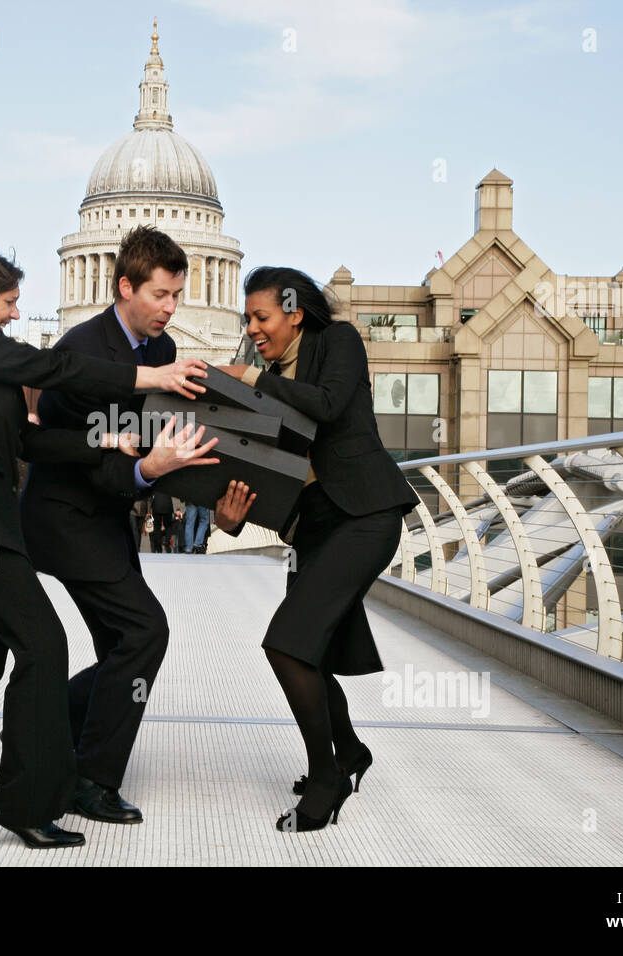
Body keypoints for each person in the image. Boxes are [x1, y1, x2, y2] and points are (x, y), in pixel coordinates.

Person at [0, 242, 211, 850]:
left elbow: (31, 447)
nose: (13, 313)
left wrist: (105, 446)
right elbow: (56, 370)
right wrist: (148, 375)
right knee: (44, 644)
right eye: (8, 302)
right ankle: (26, 804)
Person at [20, 225, 219, 825]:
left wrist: (220, 504)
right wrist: (145, 471)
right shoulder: (80, 348)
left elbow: (158, 444)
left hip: (107, 519)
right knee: (145, 632)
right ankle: (91, 779)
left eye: (178, 296)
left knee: (120, 649)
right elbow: (74, 453)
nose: (171, 308)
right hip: (66, 516)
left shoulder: (160, 353)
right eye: (161, 295)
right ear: (125, 285)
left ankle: (48, 726)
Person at [214, 265, 419, 832]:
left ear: (295, 311)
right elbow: (259, 467)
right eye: (248, 319)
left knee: (287, 645)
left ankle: (326, 775)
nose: (254, 329)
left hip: (365, 515)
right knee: (313, 650)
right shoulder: (266, 374)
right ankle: (349, 752)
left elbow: (327, 406)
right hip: (312, 527)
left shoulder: (338, 342)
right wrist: (232, 516)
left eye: (262, 317)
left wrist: (250, 382)